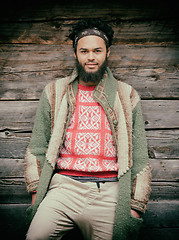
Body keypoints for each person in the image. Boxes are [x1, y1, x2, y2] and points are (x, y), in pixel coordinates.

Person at [25, 18, 151, 240]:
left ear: (107, 52)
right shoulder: (55, 92)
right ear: (75, 53)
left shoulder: (126, 95)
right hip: (63, 188)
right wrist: (37, 196)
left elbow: (140, 156)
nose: (91, 57)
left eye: (97, 51)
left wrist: (134, 208)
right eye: (84, 51)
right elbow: (37, 147)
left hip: (110, 192)